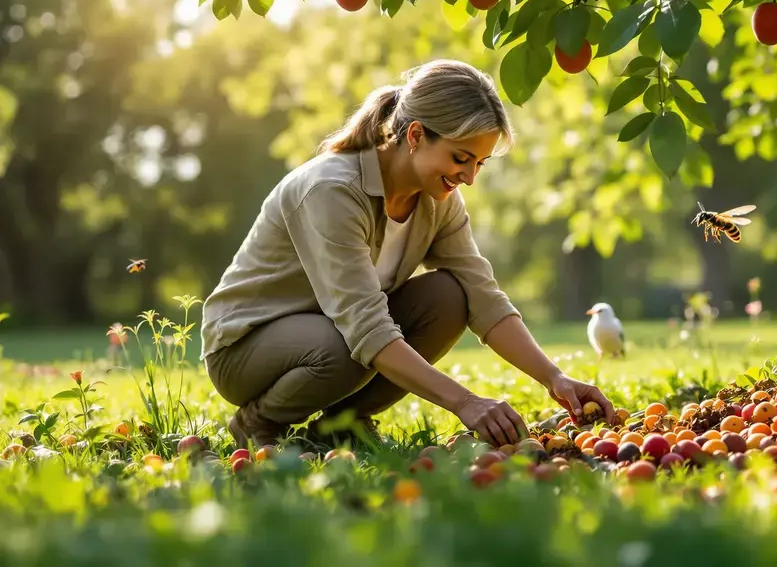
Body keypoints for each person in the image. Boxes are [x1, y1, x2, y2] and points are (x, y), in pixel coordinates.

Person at [199, 59, 616, 450]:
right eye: (461, 158)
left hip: (336, 333)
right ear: (415, 136)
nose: (469, 177)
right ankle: (259, 423)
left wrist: (555, 378)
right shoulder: (332, 190)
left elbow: (483, 296)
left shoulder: (439, 199)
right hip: (245, 348)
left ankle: (341, 424)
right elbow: (365, 326)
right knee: (349, 343)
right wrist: (467, 402)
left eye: (480, 164)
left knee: (451, 297)